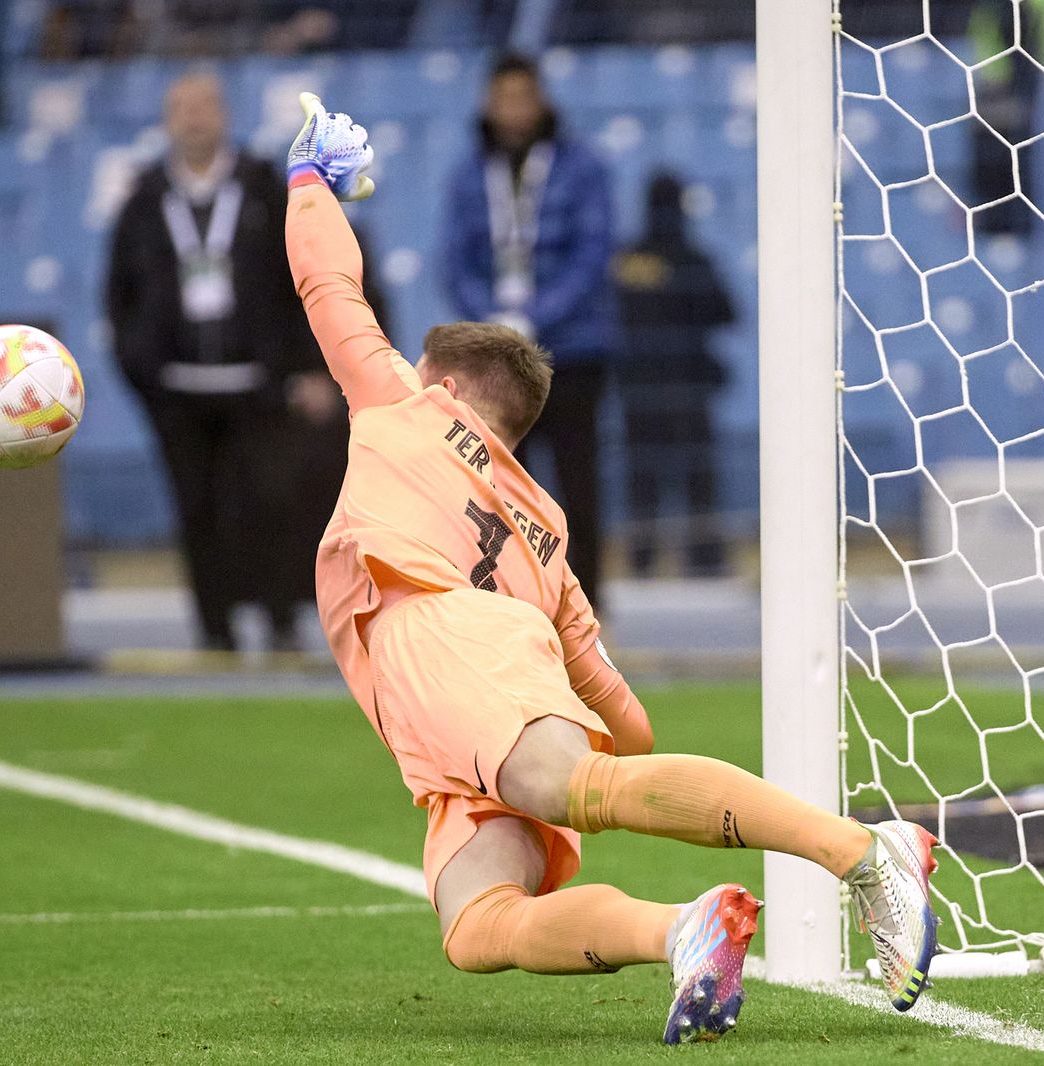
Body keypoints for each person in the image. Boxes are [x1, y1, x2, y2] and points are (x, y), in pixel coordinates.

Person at [285, 92, 939, 1041]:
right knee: (477, 923)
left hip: (439, 640)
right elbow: (614, 707)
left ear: (448, 387)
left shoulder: (406, 407)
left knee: (577, 789)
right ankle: (683, 931)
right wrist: (615, 760)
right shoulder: (547, 531)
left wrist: (308, 180)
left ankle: (863, 853)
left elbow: (328, 286)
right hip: (472, 705)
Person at [106, 72, 326, 652]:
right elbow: (120, 295)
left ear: (226, 114)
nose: (195, 117)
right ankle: (215, 630)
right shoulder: (143, 199)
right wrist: (143, 370)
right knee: (196, 510)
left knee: (272, 503)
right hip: (178, 389)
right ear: (166, 120)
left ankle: (282, 621)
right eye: (182, 107)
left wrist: (306, 364)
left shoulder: (264, 188)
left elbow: (302, 274)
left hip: (259, 382)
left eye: (205, 105)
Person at [442, 53, 615, 606]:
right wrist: (495, 324)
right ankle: (508, 600)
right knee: (497, 486)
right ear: (488, 104)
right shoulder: (469, 175)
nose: (514, 110)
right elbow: (455, 261)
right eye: (504, 98)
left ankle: (586, 604)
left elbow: (592, 255)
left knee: (576, 480)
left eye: (523, 97)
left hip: (570, 352)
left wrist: (534, 318)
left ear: (541, 101)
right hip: (498, 363)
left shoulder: (582, 168)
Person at [614, 172, 735, 577]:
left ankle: (644, 560)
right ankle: (702, 558)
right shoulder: (693, 259)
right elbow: (726, 312)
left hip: (645, 386)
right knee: (693, 475)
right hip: (684, 385)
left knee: (646, 477)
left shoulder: (628, 260)